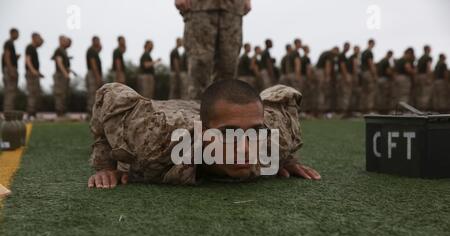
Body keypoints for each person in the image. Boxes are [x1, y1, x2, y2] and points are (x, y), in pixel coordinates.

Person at [87, 79, 321, 188]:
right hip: (168, 112)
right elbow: (109, 94)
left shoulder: (276, 135)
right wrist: (106, 164)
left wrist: (286, 156)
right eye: (228, 134)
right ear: (204, 133)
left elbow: (283, 92)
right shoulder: (154, 138)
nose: (245, 148)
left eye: (254, 133)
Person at [176, 0, 252, 99]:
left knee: (229, 65)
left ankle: (222, 109)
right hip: (200, 7)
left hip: (232, 8)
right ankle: (197, 110)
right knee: (200, 64)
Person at [25, 32, 44, 119]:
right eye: (38, 38)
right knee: (32, 93)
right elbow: (27, 60)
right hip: (31, 74)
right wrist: (33, 71)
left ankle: (33, 114)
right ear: (34, 38)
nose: (40, 40)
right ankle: (30, 114)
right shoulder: (30, 47)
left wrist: (38, 73)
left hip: (34, 73)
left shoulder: (33, 48)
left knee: (35, 93)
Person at [52, 35, 71, 117]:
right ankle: (59, 112)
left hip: (62, 74)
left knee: (64, 94)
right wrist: (65, 73)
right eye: (65, 40)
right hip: (60, 75)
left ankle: (62, 112)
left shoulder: (63, 51)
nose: (66, 42)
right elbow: (59, 62)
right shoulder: (59, 50)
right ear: (60, 41)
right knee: (60, 93)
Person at [315, 47, 338, 116]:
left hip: (318, 72)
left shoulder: (325, 52)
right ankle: (322, 111)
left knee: (321, 91)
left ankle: (320, 110)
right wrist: (327, 76)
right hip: (322, 72)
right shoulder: (330, 54)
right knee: (323, 91)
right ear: (335, 51)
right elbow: (328, 65)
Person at [2, 28, 20, 112]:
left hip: (10, 68)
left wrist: (15, 58)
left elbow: (8, 56)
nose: (18, 35)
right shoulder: (8, 43)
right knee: (10, 91)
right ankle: (8, 114)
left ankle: (9, 113)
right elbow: (6, 56)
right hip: (10, 69)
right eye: (17, 33)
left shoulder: (10, 43)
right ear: (12, 33)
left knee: (11, 92)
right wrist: (11, 70)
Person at [85, 36, 103, 114]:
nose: (99, 43)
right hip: (93, 74)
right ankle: (90, 113)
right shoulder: (91, 51)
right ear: (94, 41)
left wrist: (99, 49)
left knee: (95, 93)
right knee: (92, 93)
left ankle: (93, 112)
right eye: (98, 41)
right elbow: (93, 64)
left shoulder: (94, 51)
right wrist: (97, 77)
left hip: (94, 74)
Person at [360, 39, 377, 113]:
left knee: (364, 92)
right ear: (371, 44)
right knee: (370, 92)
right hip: (368, 73)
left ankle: (363, 110)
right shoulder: (369, 52)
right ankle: (369, 110)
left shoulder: (363, 52)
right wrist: (374, 75)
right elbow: (371, 64)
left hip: (363, 73)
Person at [336, 42, 352, 115]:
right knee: (345, 93)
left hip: (341, 76)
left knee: (342, 93)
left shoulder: (343, 55)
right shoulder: (342, 55)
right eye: (347, 47)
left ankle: (342, 111)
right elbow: (343, 66)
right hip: (342, 76)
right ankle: (343, 111)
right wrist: (346, 77)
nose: (348, 48)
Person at [348, 45, 361, 114]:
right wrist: (356, 77)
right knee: (353, 94)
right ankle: (352, 111)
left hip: (353, 76)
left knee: (354, 94)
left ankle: (352, 110)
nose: (358, 51)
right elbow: (354, 68)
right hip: (353, 77)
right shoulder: (354, 57)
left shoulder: (355, 57)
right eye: (357, 49)